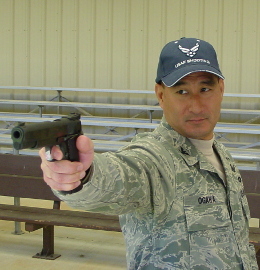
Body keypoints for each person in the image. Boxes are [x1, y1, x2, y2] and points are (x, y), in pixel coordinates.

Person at [39, 38, 258, 269]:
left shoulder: (221, 155)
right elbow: (123, 174)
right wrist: (82, 176)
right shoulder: (156, 157)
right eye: (182, 91)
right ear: (161, 95)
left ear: (221, 89)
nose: (196, 105)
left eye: (205, 89)